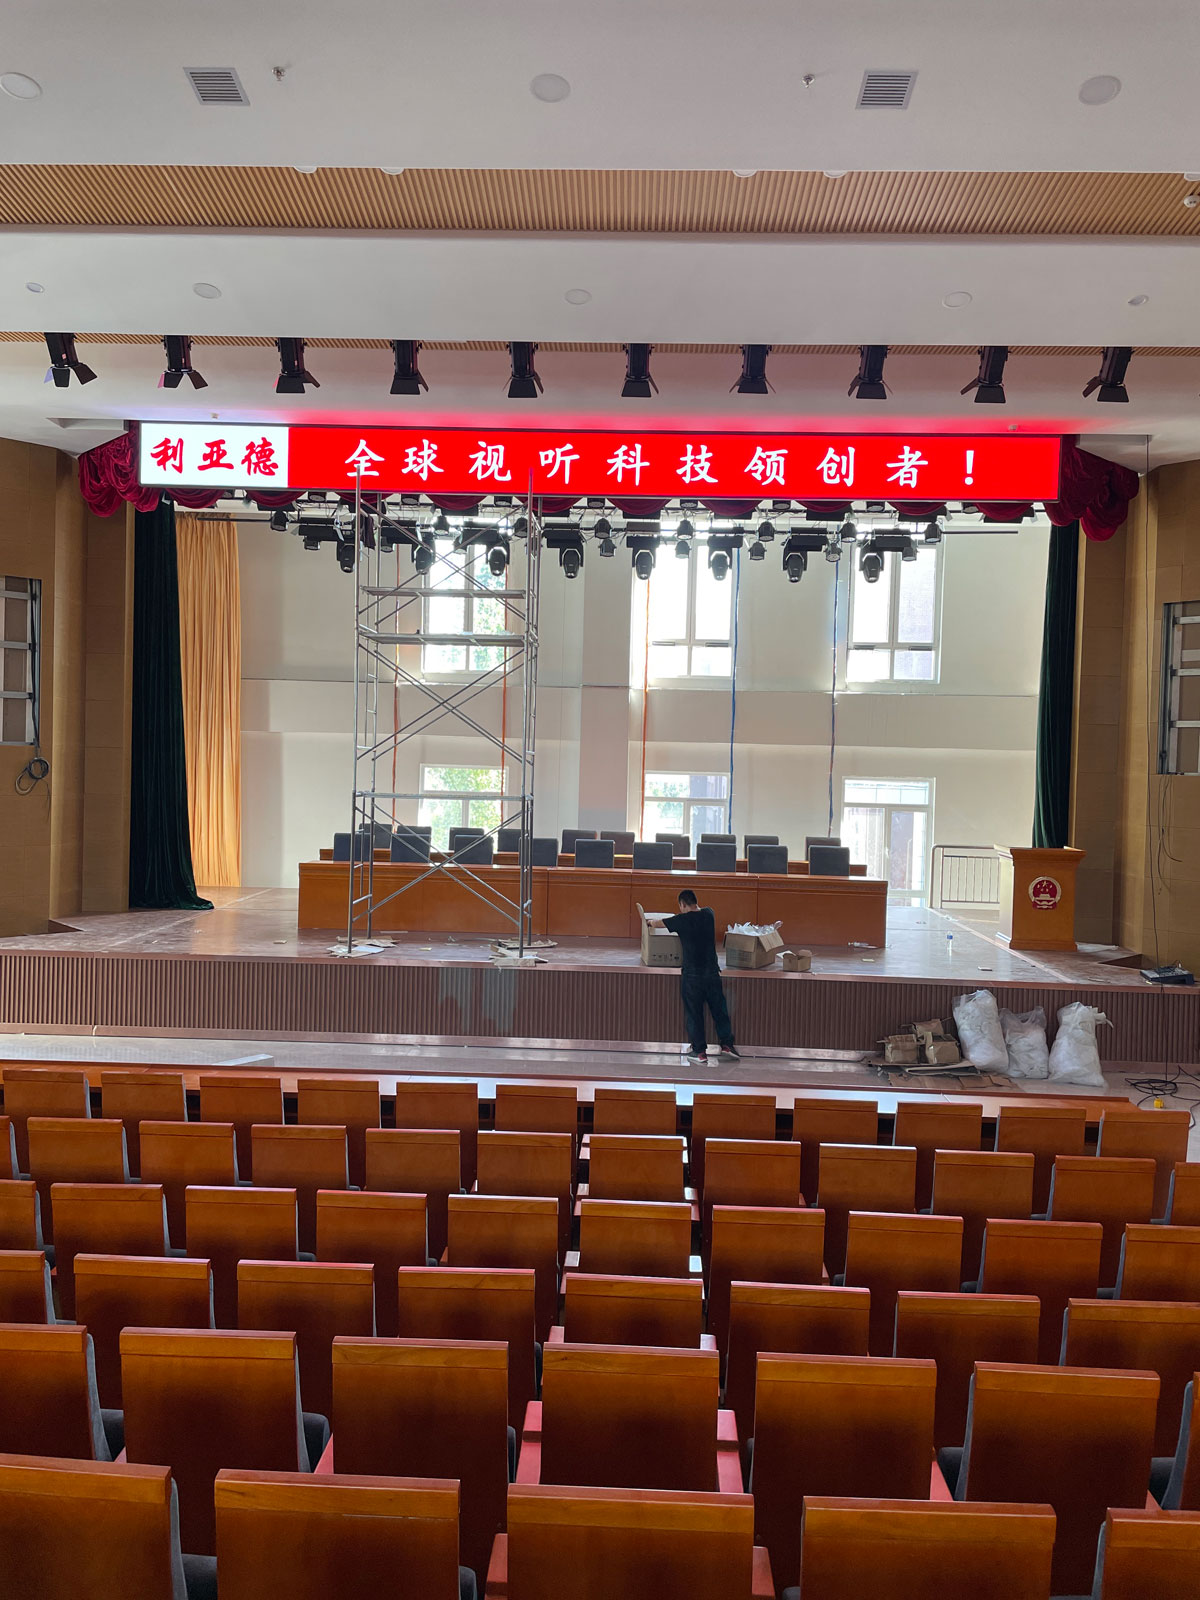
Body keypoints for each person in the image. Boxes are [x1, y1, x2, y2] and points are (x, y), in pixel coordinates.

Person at [664, 888, 739, 1066]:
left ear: (682, 904)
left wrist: (649, 922)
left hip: (692, 976)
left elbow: (658, 923)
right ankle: (727, 1045)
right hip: (712, 972)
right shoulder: (709, 914)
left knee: (694, 1013)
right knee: (719, 1010)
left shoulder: (680, 920)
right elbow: (701, 910)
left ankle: (699, 1052)